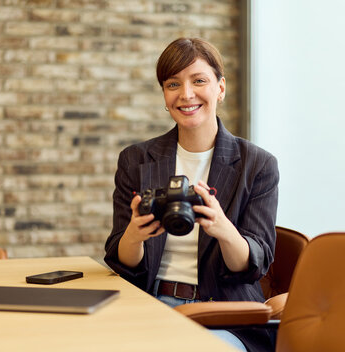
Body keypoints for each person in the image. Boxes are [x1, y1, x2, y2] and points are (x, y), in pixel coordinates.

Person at [104, 37, 279, 352]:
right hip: (149, 305)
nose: (186, 94)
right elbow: (123, 261)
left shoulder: (257, 165)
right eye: (173, 84)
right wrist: (133, 235)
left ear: (220, 88)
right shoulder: (136, 159)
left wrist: (224, 230)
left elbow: (255, 264)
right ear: (164, 95)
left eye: (199, 81)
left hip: (224, 316)